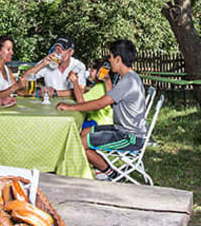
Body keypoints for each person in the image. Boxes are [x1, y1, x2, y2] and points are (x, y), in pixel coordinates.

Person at [57, 39, 146, 181]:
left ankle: (112, 174)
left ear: (118, 59)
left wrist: (69, 107)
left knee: (80, 143)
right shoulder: (129, 78)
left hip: (130, 137)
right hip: (121, 129)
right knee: (84, 132)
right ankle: (100, 170)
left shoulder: (128, 81)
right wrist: (107, 80)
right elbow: (111, 102)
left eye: (111, 57)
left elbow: (100, 104)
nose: (109, 61)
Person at [70, 58, 114, 130]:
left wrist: (75, 82)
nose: (89, 71)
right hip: (102, 122)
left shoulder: (99, 88)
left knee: (74, 127)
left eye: (92, 70)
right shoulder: (102, 86)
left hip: (99, 123)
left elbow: (81, 103)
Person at [0, 35, 29, 99]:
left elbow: (18, 91)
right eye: (8, 49)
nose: (12, 52)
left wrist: (37, 93)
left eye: (12, 49)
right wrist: (16, 86)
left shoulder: (6, 69)